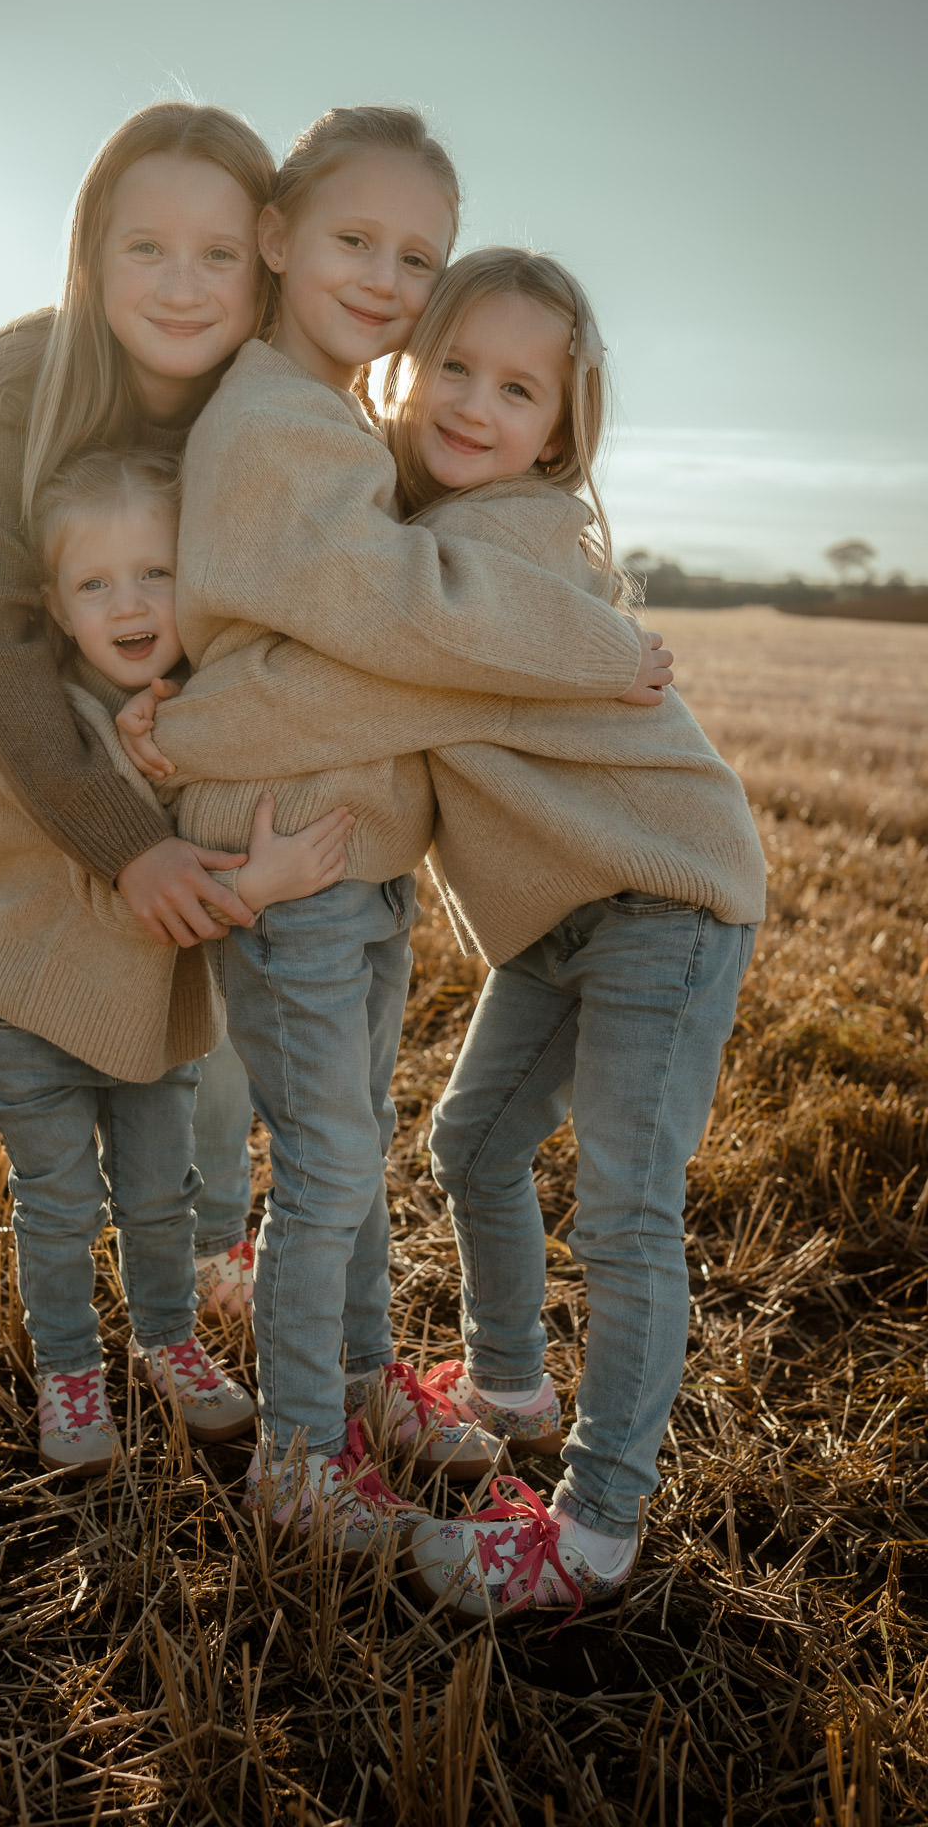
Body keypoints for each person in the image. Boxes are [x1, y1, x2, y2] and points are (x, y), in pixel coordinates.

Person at [135, 245, 764, 1608]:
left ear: (562, 426)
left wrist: (177, 735)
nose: (476, 404)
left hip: (667, 893)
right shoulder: (425, 515)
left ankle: (593, 1529)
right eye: (457, 368)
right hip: (558, 915)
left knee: (626, 1215)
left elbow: (369, 697)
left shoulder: (505, 540)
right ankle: (510, 1384)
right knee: (469, 1142)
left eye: (519, 388)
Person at [0, 102, 275, 1501]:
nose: (180, 281)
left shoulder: (261, 398)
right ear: (88, 252)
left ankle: (186, 1291)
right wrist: (127, 842)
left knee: (188, 1026)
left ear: (263, 264)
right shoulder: (22, 379)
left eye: (218, 250)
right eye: (143, 243)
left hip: (154, 726)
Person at [0, 451, 351, 1478]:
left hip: (144, 1025)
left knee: (158, 1198)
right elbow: (123, 893)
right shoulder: (48, 738)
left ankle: (166, 1340)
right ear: (56, 604)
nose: (127, 603)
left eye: (154, 574)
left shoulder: (176, 715)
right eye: (95, 584)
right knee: (58, 1209)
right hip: (36, 1017)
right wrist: (258, 888)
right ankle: (71, 1376)